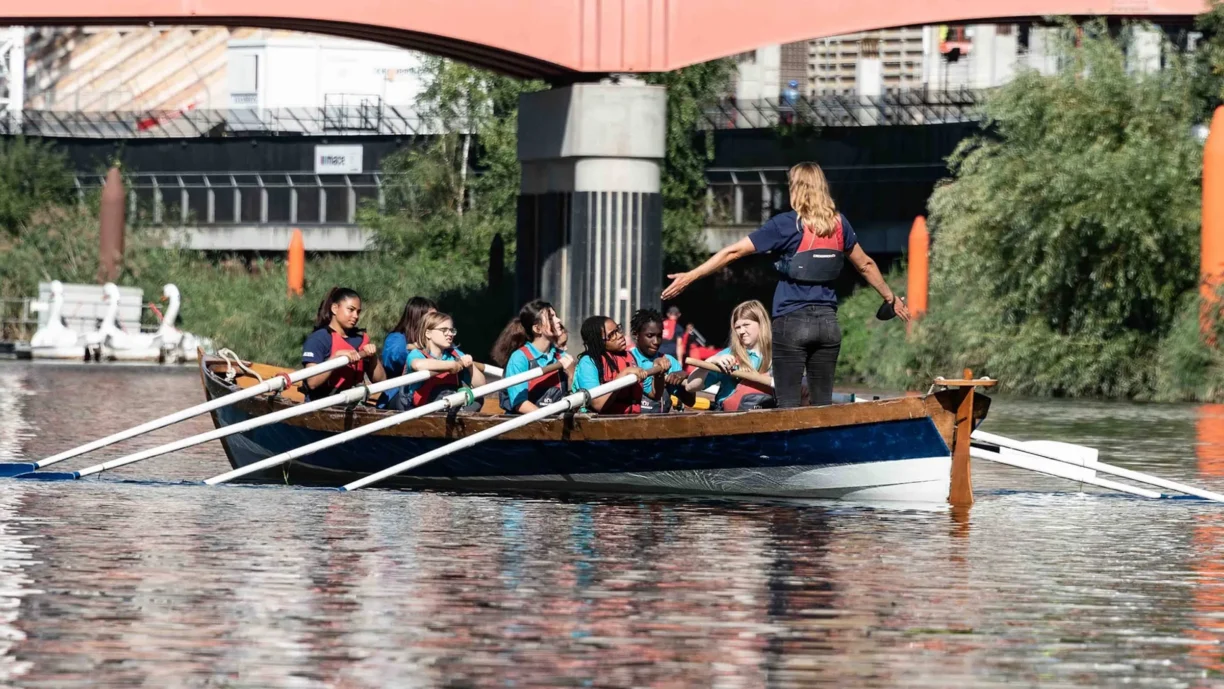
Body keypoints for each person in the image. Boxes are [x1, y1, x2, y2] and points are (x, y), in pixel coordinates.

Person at [662, 161, 910, 407]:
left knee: (788, 405)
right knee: (822, 405)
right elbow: (865, 264)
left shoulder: (786, 225)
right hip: (828, 325)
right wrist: (891, 299)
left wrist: (691, 276)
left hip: (792, 322)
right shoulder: (840, 224)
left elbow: (733, 252)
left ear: (796, 189)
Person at [682, 300, 774, 412]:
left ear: (761, 323)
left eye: (746, 325)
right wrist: (711, 361)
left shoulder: (778, 355)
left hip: (768, 417)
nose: (741, 331)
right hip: (730, 418)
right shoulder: (728, 355)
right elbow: (690, 386)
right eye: (738, 327)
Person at [301, 287, 386, 401]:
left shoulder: (361, 339)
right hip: (322, 405)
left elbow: (381, 381)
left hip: (353, 405)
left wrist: (373, 357)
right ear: (335, 308)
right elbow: (312, 382)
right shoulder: (319, 339)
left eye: (358, 312)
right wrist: (334, 359)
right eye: (351, 310)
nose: (356, 316)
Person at [393, 311, 486, 410]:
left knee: (478, 399)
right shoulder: (417, 354)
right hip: (422, 410)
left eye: (451, 330)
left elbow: (482, 386)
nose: (450, 334)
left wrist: (471, 367)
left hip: (450, 405)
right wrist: (450, 366)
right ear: (428, 333)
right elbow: (418, 365)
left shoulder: (455, 354)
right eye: (444, 330)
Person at [499, 300, 574, 413]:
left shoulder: (562, 356)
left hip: (554, 424)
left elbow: (574, 397)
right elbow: (520, 404)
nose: (558, 320)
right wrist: (548, 421)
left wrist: (571, 375)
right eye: (551, 318)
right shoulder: (519, 358)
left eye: (555, 316)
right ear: (537, 329)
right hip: (525, 426)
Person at [571, 316, 647, 414]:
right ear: (598, 341)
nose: (620, 335)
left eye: (618, 329)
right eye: (612, 335)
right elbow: (598, 404)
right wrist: (624, 374)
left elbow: (654, 394)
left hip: (632, 421)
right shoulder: (588, 362)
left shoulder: (630, 357)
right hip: (600, 424)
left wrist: (659, 373)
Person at [379, 296, 437, 409]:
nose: (436, 321)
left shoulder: (438, 341)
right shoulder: (397, 338)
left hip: (430, 392)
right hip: (399, 395)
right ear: (417, 318)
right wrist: (417, 350)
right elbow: (393, 358)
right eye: (432, 317)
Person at [628, 308, 691, 412]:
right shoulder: (626, 359)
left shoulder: (670, 361)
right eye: (650, 336)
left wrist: (686, 376)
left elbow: (690, 402)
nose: (656, 342)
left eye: (659, 336)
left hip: (661, 424)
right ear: (636, 335)